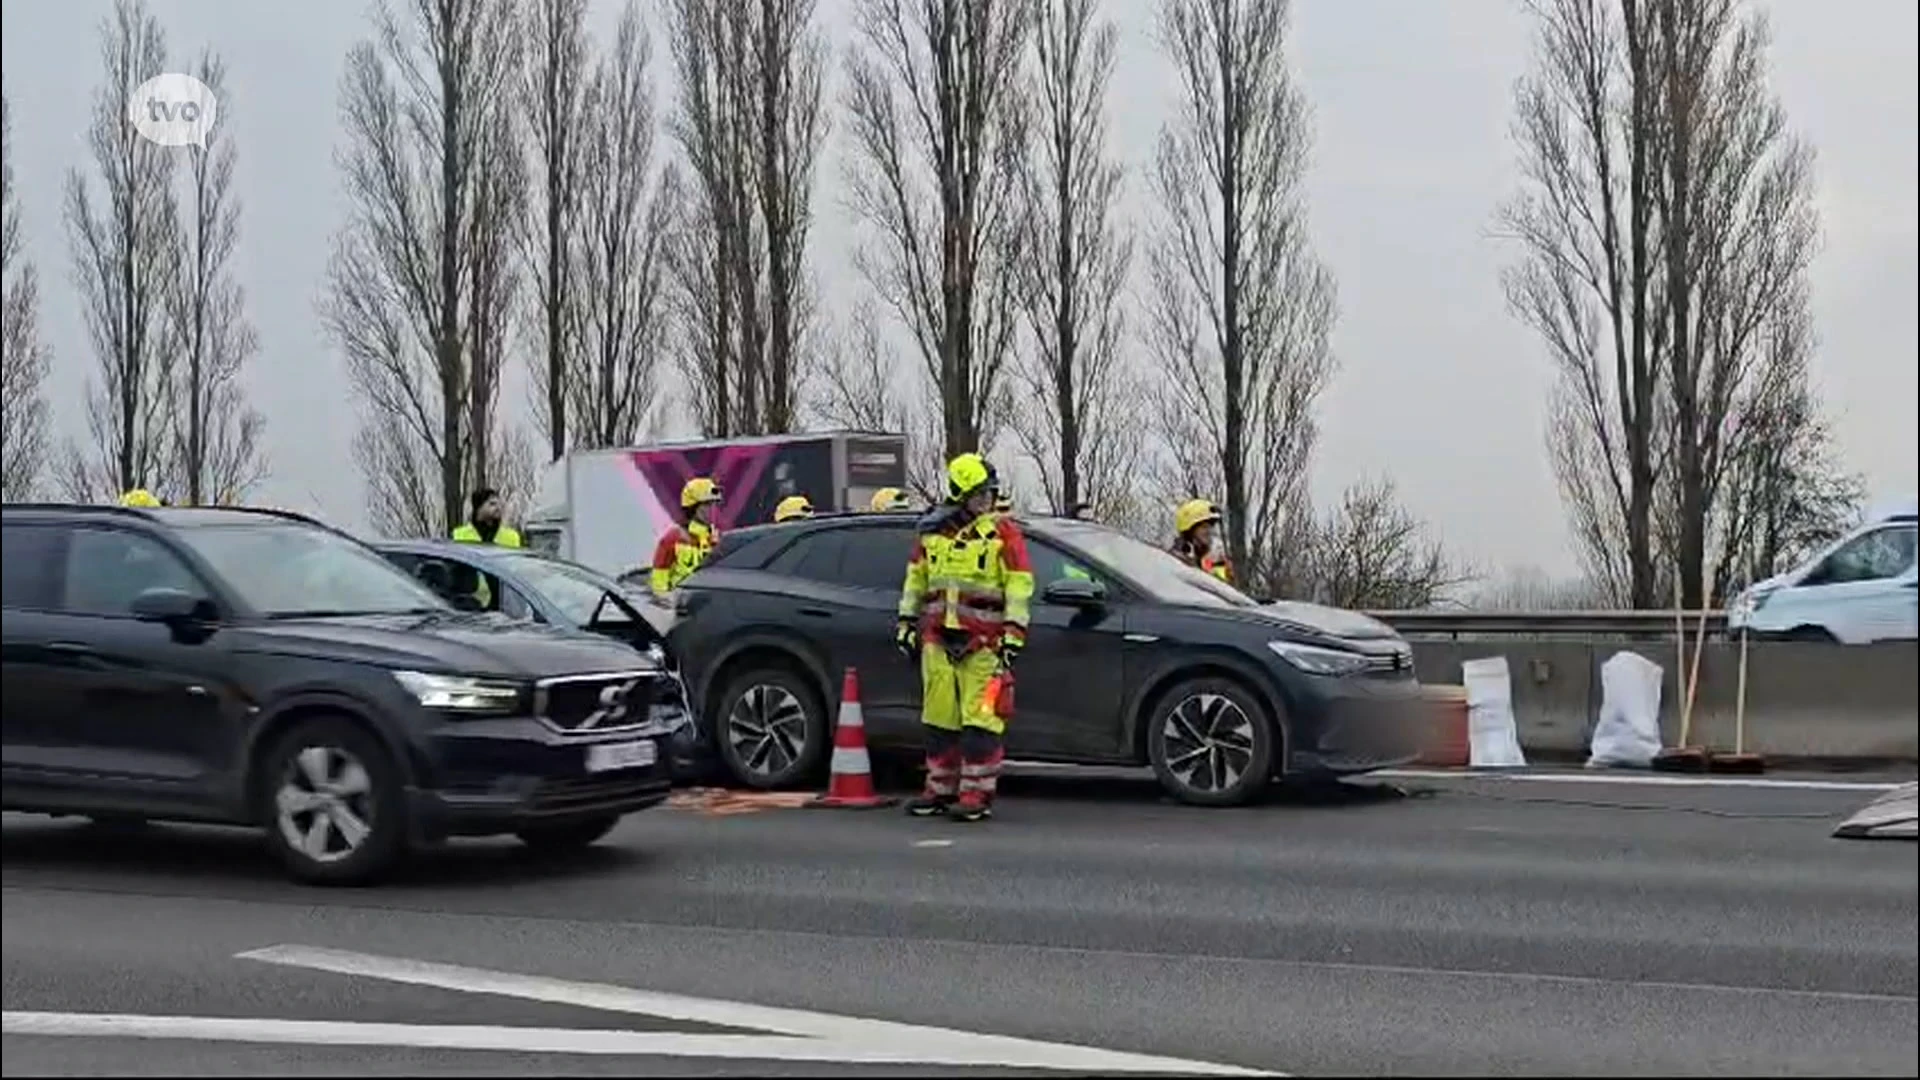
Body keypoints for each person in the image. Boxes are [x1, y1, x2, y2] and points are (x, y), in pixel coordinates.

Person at [896, 453, 1034, 823]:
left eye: (988, 495)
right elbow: (916, 581)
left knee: (982, 723)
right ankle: (939, 789)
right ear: (961, 495)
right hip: (938, 642)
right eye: (978, 495)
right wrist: (906, 622)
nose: (985, 502)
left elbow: (1019, 587)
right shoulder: (931, 535)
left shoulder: (1003, 534)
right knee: (939, 721)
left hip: (984, 647)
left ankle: (976, 794)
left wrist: (1013, 633)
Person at [651, 477, 723, 599]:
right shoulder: (672, 539)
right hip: (678, 606)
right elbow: (659, 585)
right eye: (706, 505)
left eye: (713, 505)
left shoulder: (718, 538)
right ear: (693, 507)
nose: (712, 510)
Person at [1170, 498, 1233, 585]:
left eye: (1210, 527)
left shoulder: (1207, 561)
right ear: (1190, 531)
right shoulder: (1177, 561)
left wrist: (1225, 575)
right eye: (1204, 527)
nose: (1209, 531)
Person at [452, 488, 523, 548]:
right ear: (479, 508)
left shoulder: (512, 537)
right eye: (492, 504)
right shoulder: (458, 536)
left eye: (499, 504)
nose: (498, 508)